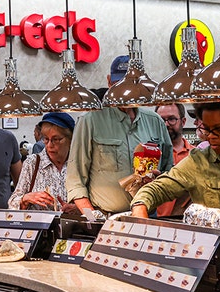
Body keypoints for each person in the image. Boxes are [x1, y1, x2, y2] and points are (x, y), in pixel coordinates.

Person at [67, 58, 173, 215]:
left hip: (147, 217)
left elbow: (169, 172)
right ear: (109, 82)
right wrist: (93, 220)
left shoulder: (155, 121)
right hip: (105, 218)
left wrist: (158, 182)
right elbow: (75, 181)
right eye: (120, 85)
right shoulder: (91, 120)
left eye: (131, 86)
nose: (126, 92)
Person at [9, 112, 75, 211]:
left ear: (70, 139)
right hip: (38, 225)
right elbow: (12, 203)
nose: (49, 145)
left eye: (56, 139)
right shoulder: (33, 163)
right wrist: (25, 198)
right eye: (46, 139)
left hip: (72, 226)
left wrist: (78, 209)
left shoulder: (79, 164)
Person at [155, 103, 194, 217]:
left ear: (183, 121)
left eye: (171, 119)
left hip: (184, 223)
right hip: (153, 221)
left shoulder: (196, 156)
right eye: (161, 120)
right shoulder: (147, 155)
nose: (166, 124)